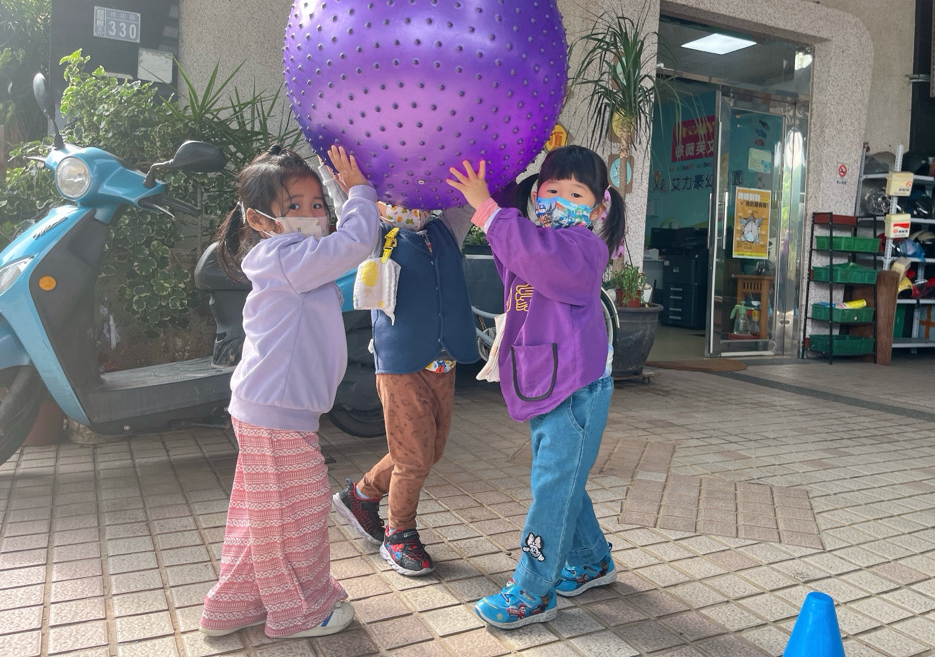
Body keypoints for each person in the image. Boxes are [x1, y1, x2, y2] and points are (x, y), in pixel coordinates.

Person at [198, 144, 379, 639]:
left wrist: (338, 186)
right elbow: (355, 240)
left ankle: (233, 606)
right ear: (260, 220)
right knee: (296, 515)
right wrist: (360, 191)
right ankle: (300, 611)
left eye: (317, 204)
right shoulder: (286, 257)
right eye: (294, 206)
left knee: (264, 513)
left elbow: (347, 245)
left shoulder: (293, 258)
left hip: (270, 409)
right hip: (275, 413)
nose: (312, 214)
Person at [446, 145, 626, 629]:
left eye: (577, 194)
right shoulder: (531, 235)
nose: (562, 200)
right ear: (537, 194)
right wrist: (497, 180)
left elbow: (535, 255)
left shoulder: (584, 248)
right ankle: (591, 560)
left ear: (598, 208)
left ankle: (533, 589)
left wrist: (488, 211)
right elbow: (515, 241)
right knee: (563, 480)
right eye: (552, 189)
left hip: (576, 389)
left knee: (553, 488)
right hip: (545, 379)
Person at [326, 184, 479, 576]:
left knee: (428, 449)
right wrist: (338, 174)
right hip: (399, 362)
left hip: (443, 360)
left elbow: (466, 197)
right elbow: (348, 205)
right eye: (397, 195)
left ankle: (362, 495)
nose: (409, 203)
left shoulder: (446, 229)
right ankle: (399, 533)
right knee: (414, 455)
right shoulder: (375, 234)